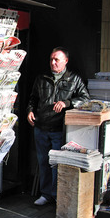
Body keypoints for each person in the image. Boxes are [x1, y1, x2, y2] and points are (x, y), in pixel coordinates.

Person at [26, 47, 90, 206]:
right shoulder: (42, 78)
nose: (53, 62)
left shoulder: (74, 79)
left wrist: (67, 103)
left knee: (57, 164)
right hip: (41, 127)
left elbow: (85, 98)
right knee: (43, 162)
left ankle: (57, 196)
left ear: (66, 61)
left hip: (58, 128)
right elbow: (33, 98)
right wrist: (29, 111)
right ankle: (46, 194)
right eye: (51, 59)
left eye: (57, 60)